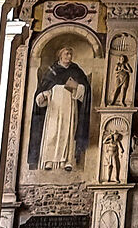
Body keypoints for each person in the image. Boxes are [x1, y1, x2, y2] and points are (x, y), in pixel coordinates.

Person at [31, 43, 92, 173]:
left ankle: (67, 161)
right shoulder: (52, 71)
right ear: (60, 55)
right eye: (66, 54)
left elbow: (85, 88)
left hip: (70, 105)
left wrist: (78, 87)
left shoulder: (76, 70)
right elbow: (44, 89)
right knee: (52, 131)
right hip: (54, 106)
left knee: (68, 132)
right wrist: (42, 96)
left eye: (70, 54)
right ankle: (48, 160)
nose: (68, 56)